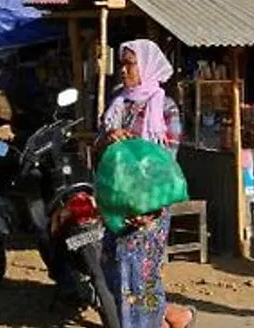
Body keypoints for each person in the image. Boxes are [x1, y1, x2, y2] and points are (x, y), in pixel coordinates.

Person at [98, 39, 194, 328]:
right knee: (113, 270)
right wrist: (108, 137)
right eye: (122, 64)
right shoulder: (117, 103)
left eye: (130, 64)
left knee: (141, 278)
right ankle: (171, 318)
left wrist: (150, 208)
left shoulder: (164, 107)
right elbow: (98, 147)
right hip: (117, 204)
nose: (123, 71)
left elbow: (168, 160)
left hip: (148, 207)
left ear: (146, 65)